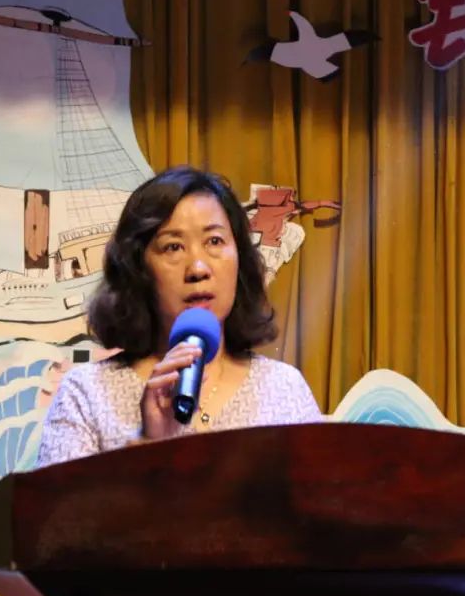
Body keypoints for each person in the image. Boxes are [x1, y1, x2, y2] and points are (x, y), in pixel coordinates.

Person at [38, 166, 323, 465]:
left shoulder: (283, 388)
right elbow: (55, 498)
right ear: (138, 268)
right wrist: (148, 444)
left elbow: (324, 492)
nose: (198, 268)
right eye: (173, 247)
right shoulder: (86, 394)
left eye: (215, 241)